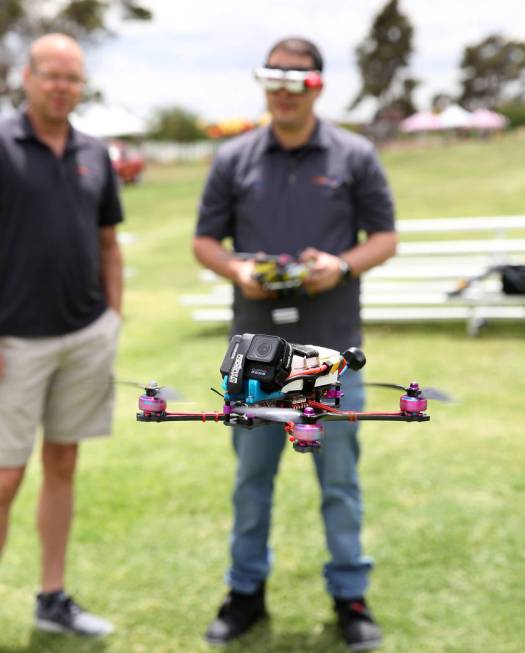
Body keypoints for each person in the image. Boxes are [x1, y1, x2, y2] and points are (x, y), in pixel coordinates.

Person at [194, 37, 397, 651]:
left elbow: (384, 236)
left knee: (339, 483)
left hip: (331, 350)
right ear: (263, 85)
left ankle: (350, 597)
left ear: (318, 86)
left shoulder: (355, 154)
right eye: (274, 80)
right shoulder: (234, 158)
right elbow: (205, 241)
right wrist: (238, 273)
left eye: (298, 81)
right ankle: (245, 594)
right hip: (254, 351)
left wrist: (341, 265)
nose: (284, 92)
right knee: (251, 484)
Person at [0, 33, 124, 636]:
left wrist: (114, 319)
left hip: (85, 335)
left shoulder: (95, 153)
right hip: (13, 343)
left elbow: (108, 244)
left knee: (63, 462)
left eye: (72, 78)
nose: (61, 87)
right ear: (27, 76)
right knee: (4, 476)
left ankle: (52, 599)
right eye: (51, 75)